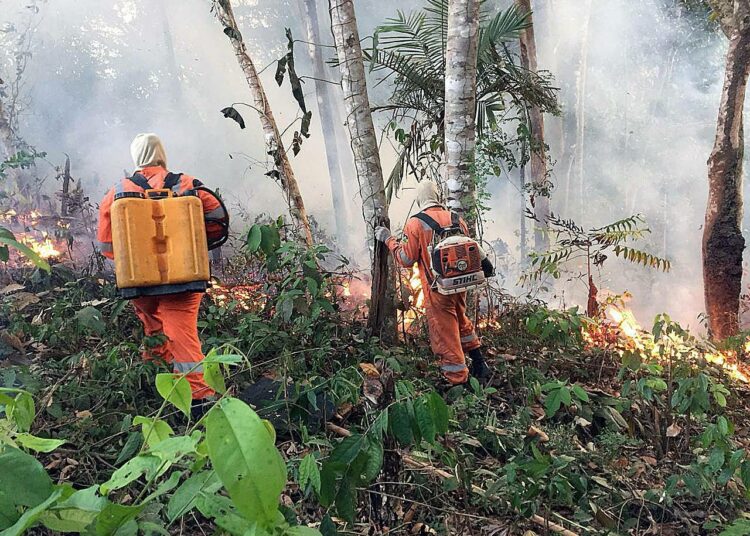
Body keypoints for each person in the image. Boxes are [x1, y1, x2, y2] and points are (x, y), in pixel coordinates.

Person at [97, 133, 223, 417]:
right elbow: (217, 219)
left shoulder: (116, 192)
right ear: (161, 153)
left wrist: (135, 263)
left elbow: (106, 243)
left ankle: (155, 389)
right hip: (185, 280)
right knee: (182, 334)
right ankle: (198, 399)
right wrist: (197, 244)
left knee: (154, 330)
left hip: (138, 283)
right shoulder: (188, 184)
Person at [375, 181, 493, 386]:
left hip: (438, 289)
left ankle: (458, 381)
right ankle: (479, 363)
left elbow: (406, 259)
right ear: (437, 196)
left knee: (445, 333)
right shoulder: (456, 219)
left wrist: (388, 240)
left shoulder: (415, 223)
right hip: (460, 283)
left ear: (418, 199)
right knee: (460, 319)